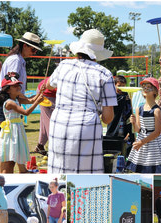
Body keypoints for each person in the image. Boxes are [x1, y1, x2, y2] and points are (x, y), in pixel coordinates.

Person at [45, 29, 117, 173]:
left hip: (59, 122)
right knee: (86, 171)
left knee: (58, 169)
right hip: (86, 125)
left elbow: (48, 85)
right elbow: (108, 118)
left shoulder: (64, 65)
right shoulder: (104, 73)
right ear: (98, 54)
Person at [0, 73, 44, 173]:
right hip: (11, 131)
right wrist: (37, 102)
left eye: (18, 85)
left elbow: (31, 100)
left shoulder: (16, 99)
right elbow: (26, 112)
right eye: (14, 86)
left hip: (17, 129)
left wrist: (40, 92)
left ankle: (22, 170)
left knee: (16, 152)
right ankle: (12, 171)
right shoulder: (10, 102)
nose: (18, 87)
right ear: (8, 90)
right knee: (10, 157)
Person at [0, 32, 42, 123]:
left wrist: (31, 99)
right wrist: (30, 100)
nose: (34, 53)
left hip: (11, 96)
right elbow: (12, 85)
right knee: (7, 131)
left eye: (36, 51)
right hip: (5, 97)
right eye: (33, 49)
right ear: (25, 46)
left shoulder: (19, 60)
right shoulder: (16, 60)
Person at [126, 77, 161, 173]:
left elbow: (157, 132)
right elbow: (138, 130)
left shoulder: (156, 110)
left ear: (155, 91)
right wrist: (134, 122)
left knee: (153, 168)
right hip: (142, 140)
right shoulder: (139, 109)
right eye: (144, 87)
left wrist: (141, 142)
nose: (145, 89)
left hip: (154, 144)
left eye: (149, 87)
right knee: (141, 168)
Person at [106, 75, 135, 155]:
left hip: (124, 123)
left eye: (123, 86)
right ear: (114, 85)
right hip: (114, 124)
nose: (121, 88)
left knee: (126, 144)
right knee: (113, 143)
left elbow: (129, 108)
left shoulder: (126, 95)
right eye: (119, 86)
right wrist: (122, 99)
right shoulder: (112, 96)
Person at [34, 77, 57, 156]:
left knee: (45, 121)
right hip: (46, 95)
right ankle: (54, 149)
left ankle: (40, 145)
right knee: (51, 122)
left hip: (52, 95)